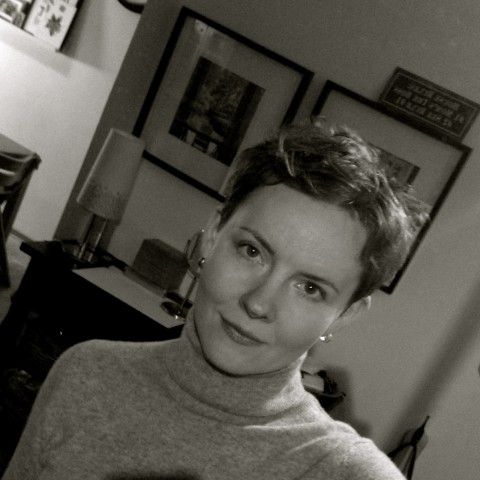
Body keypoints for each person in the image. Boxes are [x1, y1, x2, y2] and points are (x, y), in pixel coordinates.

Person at [2, 121, 427, 480]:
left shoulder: (346, 473)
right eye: (252, 251)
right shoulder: (86, 373)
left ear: (346, 314)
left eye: (310, 288)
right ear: (212, 235)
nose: (259, 303)